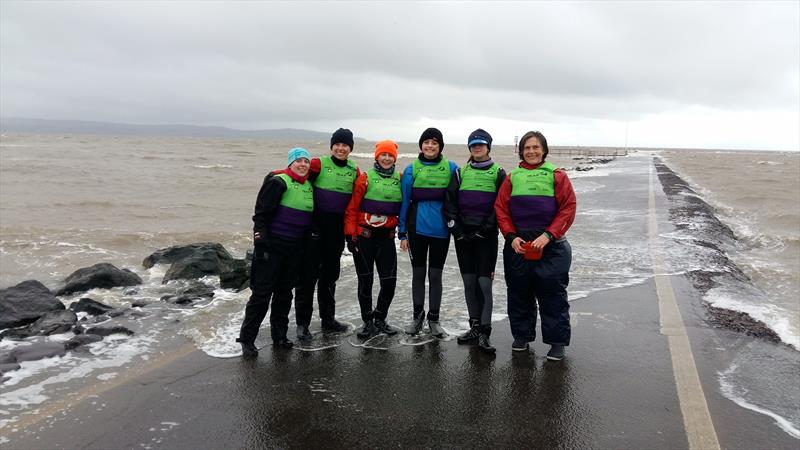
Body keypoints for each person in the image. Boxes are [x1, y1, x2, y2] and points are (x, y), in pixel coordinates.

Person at [495, 131, 576, 360]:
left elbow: (568, 208)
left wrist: (549, 235)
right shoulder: (512, 177)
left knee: (553, 295)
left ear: (544, 150)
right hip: (519, 246)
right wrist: (511, 237)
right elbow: (501, 209)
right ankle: (521, 336)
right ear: (521, 151)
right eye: (527, 148)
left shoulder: (557, 176)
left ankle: (557, 342)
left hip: (552, 247)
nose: (531, 151)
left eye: (535, 147)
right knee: (519, 293)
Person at [237, 147, 315, 356]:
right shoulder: (277, 182)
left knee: (284, 294)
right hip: (272, 247)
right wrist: (260, 243)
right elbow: (260, 215)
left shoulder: (308, 185)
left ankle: (279, 336)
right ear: (290, 163)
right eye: (298, 161)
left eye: (306, 161)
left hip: (295, 248)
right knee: (261, 295)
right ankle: (247, 338)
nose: (302, 164)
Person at [294, 128, 360, 341]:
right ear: (332, 146)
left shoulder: (354, 170)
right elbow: (297, 177)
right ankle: (302, 324)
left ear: (350, 148)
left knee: (330, 276)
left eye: (345, 145)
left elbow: (358, 199)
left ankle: (328, 320)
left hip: (336, 231)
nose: (341, 148)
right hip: (314, 229)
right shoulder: (318, 164)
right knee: (307, 277)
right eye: (337, 144)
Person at [444, 129, 506, 353]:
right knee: (469, 284)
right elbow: (450, 204)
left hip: (486, 237)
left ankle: (485, 334)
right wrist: (457, 231)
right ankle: (474, 327)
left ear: (488, 147)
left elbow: (501, 206)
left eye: (481, 144)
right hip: (463, 237)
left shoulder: (499, 173)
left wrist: (484, 230)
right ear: (469, 148)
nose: (477, 148)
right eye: (473, 145)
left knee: (484, 285)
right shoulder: (461, 172)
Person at [398, 128, 459, 337]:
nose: (430, 146)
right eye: (426, 142)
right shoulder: (411, 169)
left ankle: (434, 319)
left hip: (441, 230)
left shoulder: (451, 168)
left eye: (434, 142)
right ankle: (417, 318)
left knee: (435, 275)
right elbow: (405, 202)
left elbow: (462, 197)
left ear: (440, 146)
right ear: (421, 145)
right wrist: (402, 232)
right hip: (417, 229)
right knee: (418, 274)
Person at [344, 140, 403, 339]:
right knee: (366, 282)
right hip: (364, 239)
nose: (386, 158)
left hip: (386, 239)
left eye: (390, 155)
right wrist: (350, 235)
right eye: (383, 155)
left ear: (394, 158)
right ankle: (367, 322)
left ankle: (380, 318)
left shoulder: (400, 179)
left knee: (389, 282)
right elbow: (352, 209)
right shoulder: (364, 179)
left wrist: (405, 233)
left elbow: (407, 206)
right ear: (376, 156)